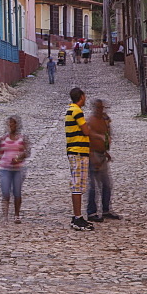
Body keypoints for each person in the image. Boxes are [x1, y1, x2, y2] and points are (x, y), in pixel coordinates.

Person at [65, 87, 98, 231]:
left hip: (77, 151)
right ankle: (77, 217)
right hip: (78, 152)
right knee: (77, 185)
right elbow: (85, 130)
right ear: (82, 97)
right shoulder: (77, 111)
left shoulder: (71, 110)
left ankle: (78, 216)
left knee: (78, 184)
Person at [86, 99, 121, 222]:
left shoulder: (105, 120)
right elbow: (87, 139)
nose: (100, 110)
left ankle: (106, 210)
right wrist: (92, 157)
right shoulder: (90, 121)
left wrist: (106, 152)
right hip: (93, 155)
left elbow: (106, 136)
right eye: (98, 107)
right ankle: (91, 212)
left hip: (101, 154)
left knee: (106, 184)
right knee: (93, 186)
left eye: (101, 107)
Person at [0, 115, 29, 223]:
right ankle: (5, 215)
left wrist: (19, 157)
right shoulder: (3, 138)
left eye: (13, 123)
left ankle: (17, 215)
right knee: (5, 192)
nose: (11, 126)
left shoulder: (22, 138)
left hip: (17, 169)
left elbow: (27, 152)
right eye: (9, 124)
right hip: (4, 168)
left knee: (17, 193)